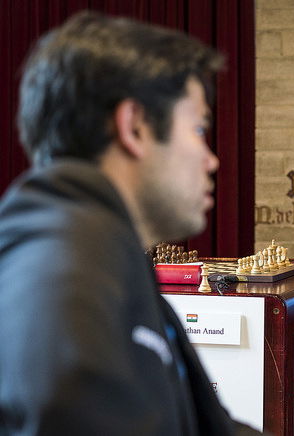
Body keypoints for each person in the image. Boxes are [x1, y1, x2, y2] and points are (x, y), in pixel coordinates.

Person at [0, 11, 261, 436]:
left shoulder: (94, 244)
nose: (211, 159)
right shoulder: (63, 265)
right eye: (198, 129)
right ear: (134, 126)